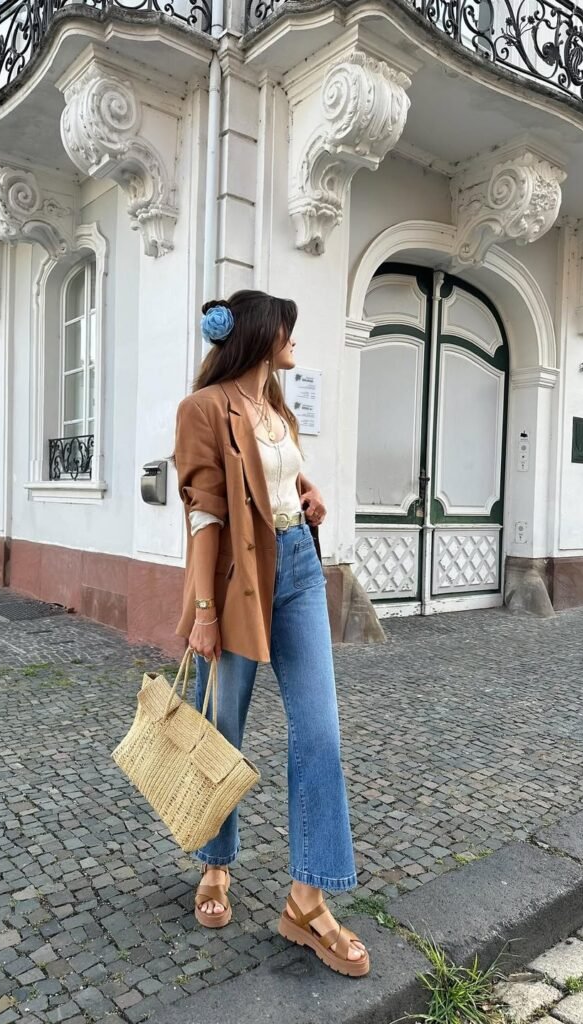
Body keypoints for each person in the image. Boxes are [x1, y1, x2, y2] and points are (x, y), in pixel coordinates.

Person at [173, 290, 369, 977]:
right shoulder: (204, 409)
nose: (295, 341)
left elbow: (275, 478)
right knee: (223, 728)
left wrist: (310, 493)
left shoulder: (276, 409)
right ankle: (215, 864)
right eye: (289, 329)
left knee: (318, 731)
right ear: (261, 332)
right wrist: (201, 611)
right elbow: (205, 516)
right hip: (233, 585)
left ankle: (307, 899)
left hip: (299, 572)